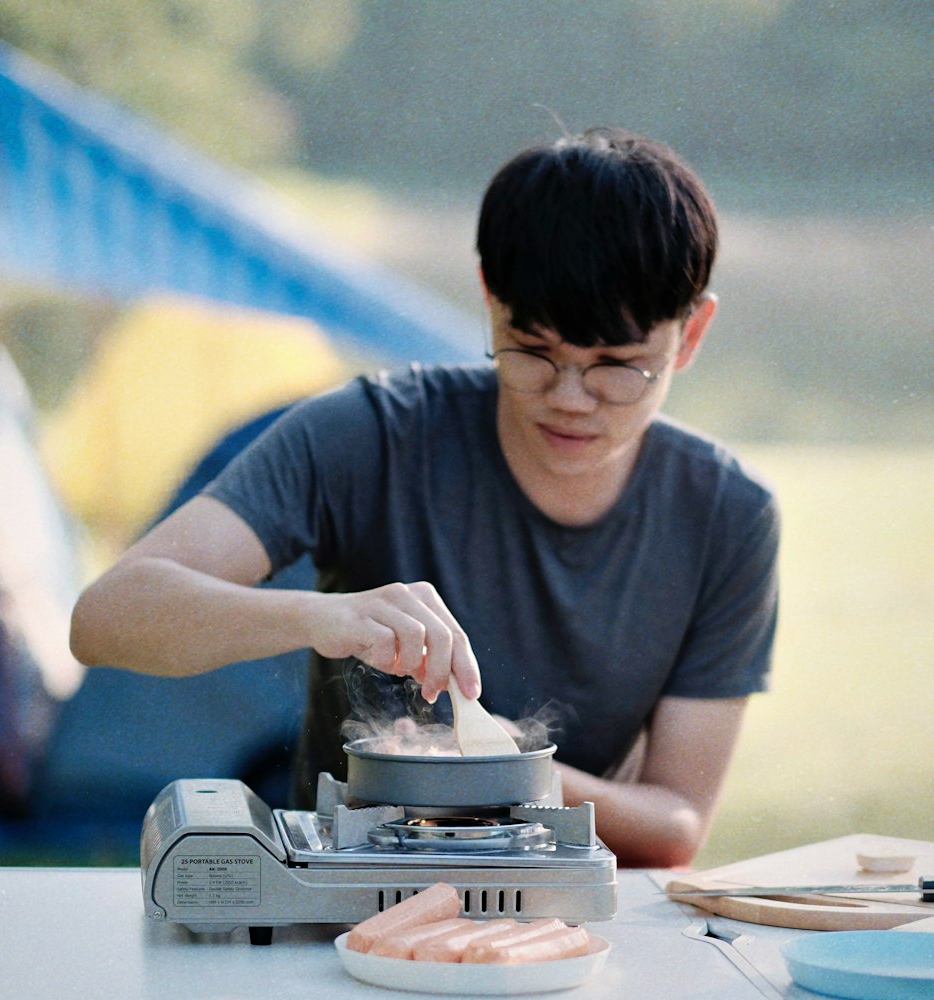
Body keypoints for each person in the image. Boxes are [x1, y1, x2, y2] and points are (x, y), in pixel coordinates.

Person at [70, 127, 779, 869]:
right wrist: (326, 616)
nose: (570, 398)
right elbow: (105, 616)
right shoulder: (370, 435)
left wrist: (501, 769)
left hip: (564, 922)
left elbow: (676, 823)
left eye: (616, 366)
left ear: (691, 332)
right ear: (487, 296)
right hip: (344, 900)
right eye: (532, 350)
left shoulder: (726, 516)